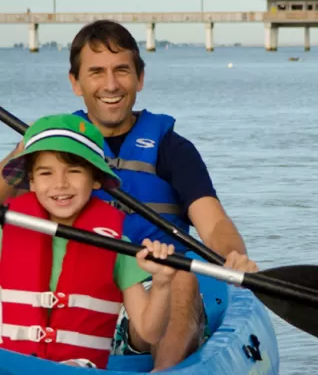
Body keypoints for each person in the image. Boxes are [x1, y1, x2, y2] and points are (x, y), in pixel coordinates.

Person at [62, 19, 257, 370]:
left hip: (151, 302)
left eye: (122, 70)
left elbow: (213, 224)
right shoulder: (56, 149)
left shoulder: (172, 149)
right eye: (96, 72)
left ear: (140, 78)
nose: (110, 84)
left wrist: (233, 256)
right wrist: (24, 150)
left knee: (180, 277)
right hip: (76, 299)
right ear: (75, 83)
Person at [0, 114, 177, 369]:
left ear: (95, 179)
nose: (60, 184)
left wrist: (162, 284)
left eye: (74, 171)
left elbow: (150, 332)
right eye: (46, 173)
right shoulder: (7, 233)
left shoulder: (118, 246)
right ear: (32, 182)